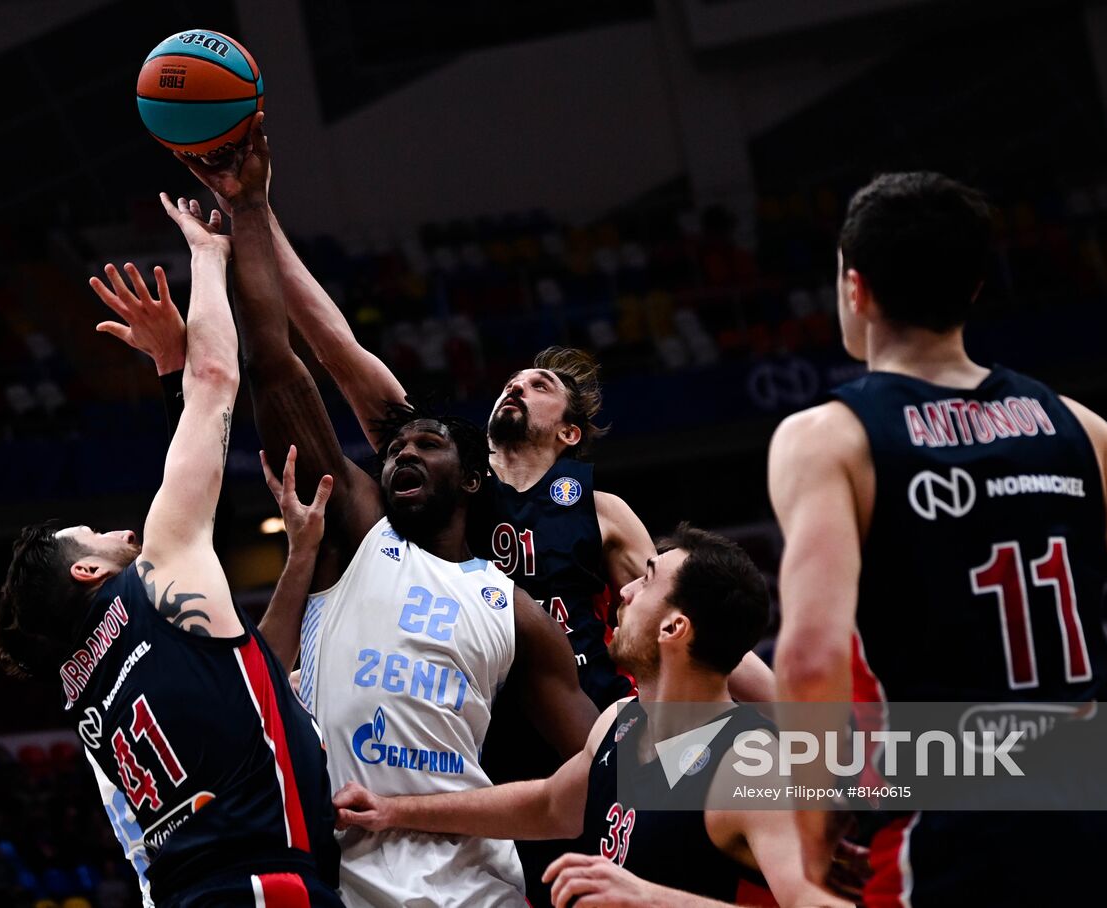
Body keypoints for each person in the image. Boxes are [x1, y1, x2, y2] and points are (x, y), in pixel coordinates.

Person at [181, 145, 772, 903]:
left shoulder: (598, 514)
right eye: (512, 378)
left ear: (570, 432)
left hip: (591, 736)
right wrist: (256, 212)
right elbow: (331, 350)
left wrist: (815, 733)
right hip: (491, 767)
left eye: (541, 384)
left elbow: (701, 623)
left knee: (679, 859)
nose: (517, 385)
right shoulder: (444, 485)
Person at [767, 171, 1107, 907]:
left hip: (965, 814)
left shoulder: (827, 439)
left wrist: (811, 830)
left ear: (855, 288)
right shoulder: (1075, 425)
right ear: (974, 288)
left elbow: (811, 661)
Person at [183, 116, 599, 908]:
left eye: (426, 445)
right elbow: (280, 361)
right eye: (394, 447)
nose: (403, 453)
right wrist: (250, 209)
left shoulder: (516, 606)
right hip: (346, 886)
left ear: (471, 479)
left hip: (483, 889)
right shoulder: (360, 535)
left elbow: (604, 766)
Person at [0, 193, 344, 908]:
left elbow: (244, 671)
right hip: (259, 889)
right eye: (94, 535)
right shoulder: (154, 579)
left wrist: (300, 559)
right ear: (87, 571)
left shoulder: (84, 694)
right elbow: (215, 383)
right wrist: (207, 256)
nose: (121, 532)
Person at [331, 525, 847, 908]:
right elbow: (548, 805)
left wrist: (652, 899)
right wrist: (393, 809)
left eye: (646, 581)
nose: (624, 591)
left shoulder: (749, 767)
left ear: (673, 628)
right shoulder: (621, 721)